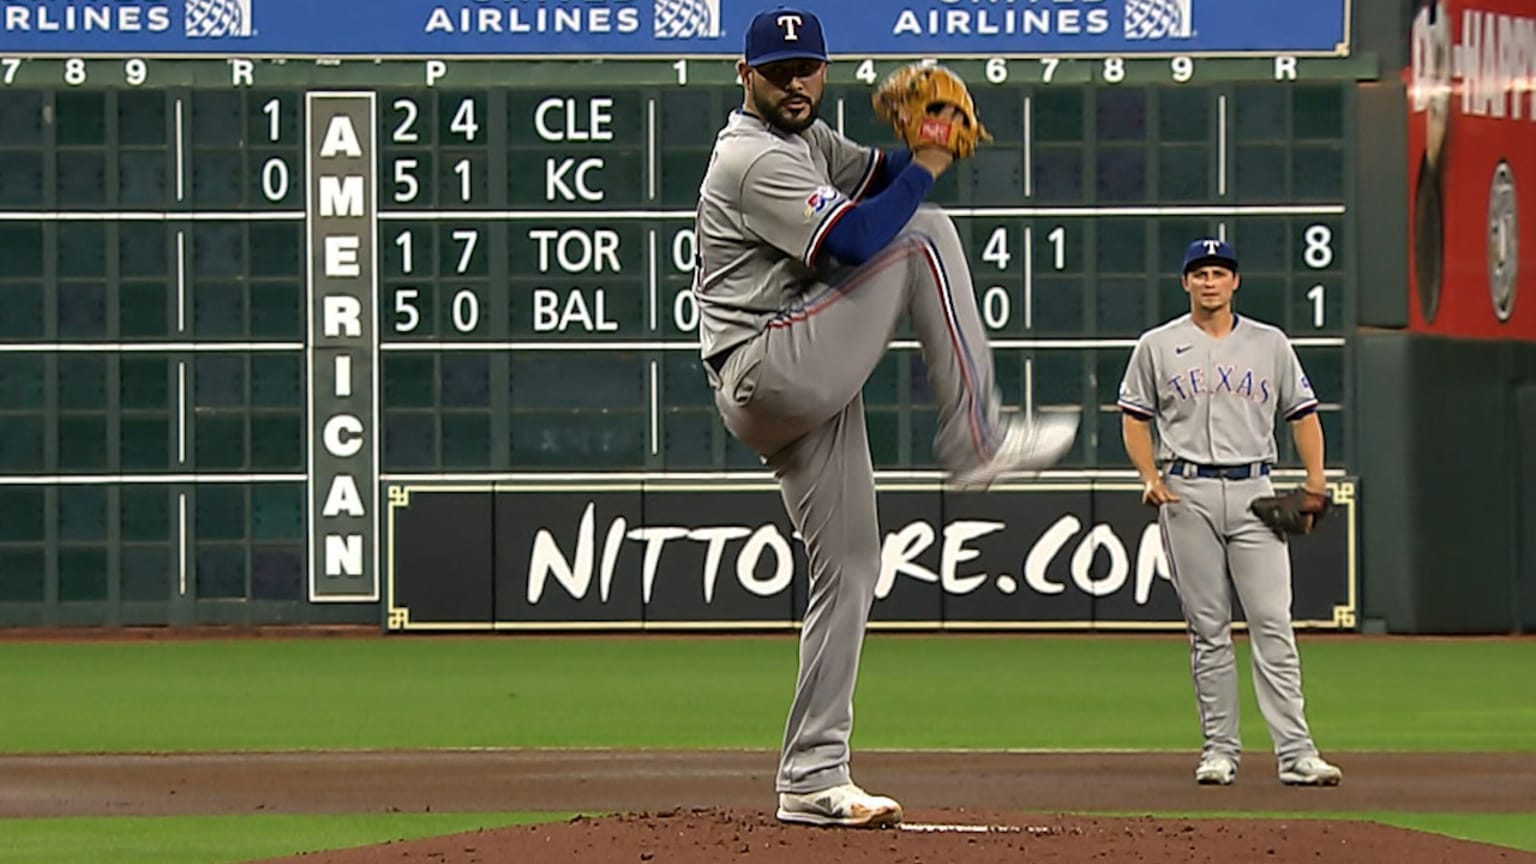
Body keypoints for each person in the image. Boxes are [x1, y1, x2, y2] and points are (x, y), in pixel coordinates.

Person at [691, 6, 1079, 828]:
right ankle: (976, 438)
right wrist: (930, 164)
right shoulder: (752, 157)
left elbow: (877, 177)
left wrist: (927, 137)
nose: (796, 83)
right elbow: (863, 237)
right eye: (778, 71)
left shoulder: (809, 142)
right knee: (922, 234)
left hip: (797, 381)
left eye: (809, 68)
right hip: (766, 365)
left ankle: (811, 776)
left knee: (853, 569)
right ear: (745, 76)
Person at [1117, 238, 1343, 787]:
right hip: (1186, 490)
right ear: (1185, 283)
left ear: (1235, 282)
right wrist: (1149, 477)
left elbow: (1304, 415)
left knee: (1273, 623)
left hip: (1255, 491)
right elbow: (1133, 417)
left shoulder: (1269, 343)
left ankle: (1296, 753)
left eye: (1219, 272)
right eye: (1200, 273)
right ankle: (1220, 750)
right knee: (1209, 629)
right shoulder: (1158, 344)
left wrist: (1314, 482)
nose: (1210, 281)